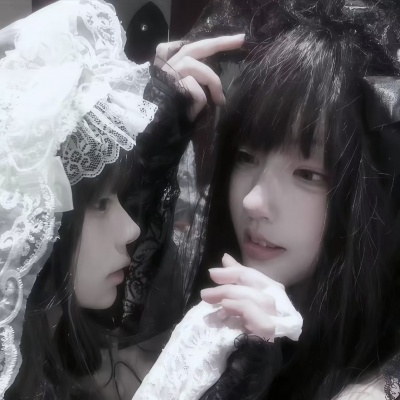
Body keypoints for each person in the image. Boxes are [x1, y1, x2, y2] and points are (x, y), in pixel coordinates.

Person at [133, 0, 400, 399]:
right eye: (246, 157)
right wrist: (151, 147)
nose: (253, 203)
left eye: (308, 174)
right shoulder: (209, 318)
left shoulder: (373, 387)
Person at [0, 0, 244, 398]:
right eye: (101, 204)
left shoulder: (64, 356)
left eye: (120, 198)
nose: (131, 229)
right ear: (39, 219)